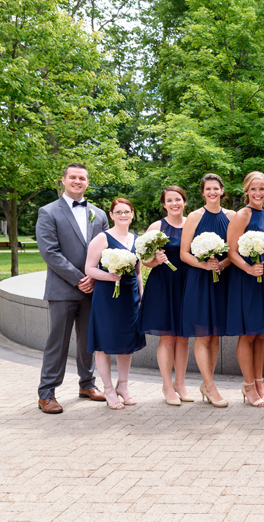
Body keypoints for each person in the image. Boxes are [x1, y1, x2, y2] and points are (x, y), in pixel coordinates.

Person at [35, 163, 109, 413]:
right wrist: (80, 278)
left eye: (83, 178)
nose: (78, 181)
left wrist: (96, 277)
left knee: (88, 340)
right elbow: (50, 252)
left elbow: (108, 249)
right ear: (64, 180)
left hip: (93, 289)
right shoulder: (48, 212)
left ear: (88, 182)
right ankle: (47, 393)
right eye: (73, 177)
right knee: (58, 342)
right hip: (63, 289)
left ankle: (87, 384)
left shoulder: (99, 214)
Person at [85, 198, 146, 410]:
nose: (123, 215)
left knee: (126, 342)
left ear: (132, 214)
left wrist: (141, 295)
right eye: (118, 212)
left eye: (127, 212)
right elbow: (89, 269)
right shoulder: (102, 238)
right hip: (107, 296)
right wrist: (110, 277)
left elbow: (138, 272)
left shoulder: (136, 239)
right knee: (104, 343)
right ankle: (109, 389)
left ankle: (124, 386)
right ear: (111, 215)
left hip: (129, 296)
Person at [180, 174, 235, 407]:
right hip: (200, 280)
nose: (212, 192)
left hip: (221, 279)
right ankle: (210, 386)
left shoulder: (232, 217)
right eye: (208, 189)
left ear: (222, 191)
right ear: (202, 193)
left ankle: (206, 382)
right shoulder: (194, 217)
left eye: (216, 188)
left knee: (215, 337)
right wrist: (204, 264)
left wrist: (222, 264)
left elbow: (235, 251)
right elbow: (184, 253)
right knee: (203, 334)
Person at [225, 172, 264, 407]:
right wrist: (248, 269)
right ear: (246, 190)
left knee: (260, 333)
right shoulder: (242, 215)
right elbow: (231, 251)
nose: (258, 193)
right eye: (253, 189)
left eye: (262, 189)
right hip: (247, 278)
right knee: (247, 333)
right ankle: (248, 386)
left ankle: (259, 383)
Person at [139, 186, 192, 406]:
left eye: (178, 199)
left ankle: (181, 383)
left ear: (184, 202)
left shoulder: (193, 223)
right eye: (169, 200)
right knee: (168, 336)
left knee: (183, 336)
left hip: (187, 282)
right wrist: (155, 260)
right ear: (164, 204)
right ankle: (167, 385)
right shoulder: (156, 227)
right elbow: (143, 260)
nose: (174, 203)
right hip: (163, 284)